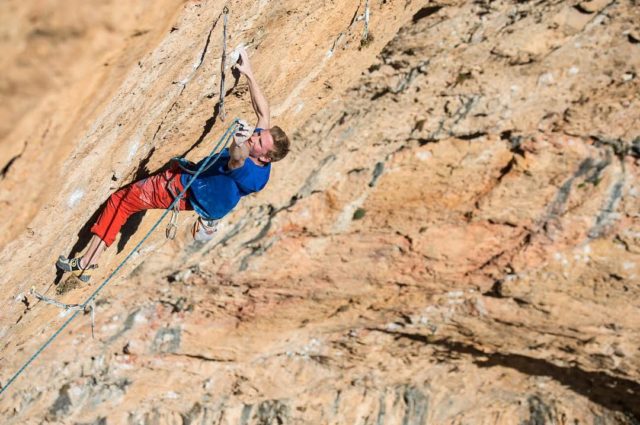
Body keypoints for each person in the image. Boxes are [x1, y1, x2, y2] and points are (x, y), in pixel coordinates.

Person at [56, 47, 290, 282]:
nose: (255, 136)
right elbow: (264, 112)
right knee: (158, 183)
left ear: (266, 158)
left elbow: (237, 158)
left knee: (123, 201)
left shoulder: (251, 175)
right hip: (209, 192)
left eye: (259, 141)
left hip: (187, 192)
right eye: (258, 135)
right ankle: (210, 218)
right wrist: (248, 72)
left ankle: (86, 262)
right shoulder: (263, 148)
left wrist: (239, 141)